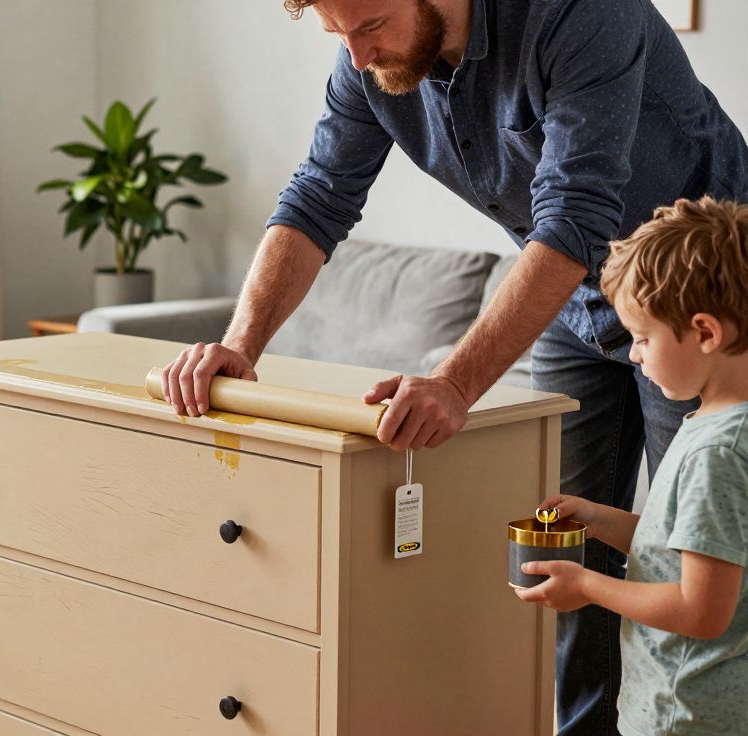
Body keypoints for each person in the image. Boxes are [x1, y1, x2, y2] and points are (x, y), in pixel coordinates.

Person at [159, 1, 748, 732]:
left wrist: (457, 383)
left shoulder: (580, 13)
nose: (355, 56)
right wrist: (239, 347)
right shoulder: (368, 65)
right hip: (573, 308)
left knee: (710, 569)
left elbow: (573, 215)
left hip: (700, 316)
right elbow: (317, 196)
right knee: (563, 554)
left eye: (369, 26)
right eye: (337, 35)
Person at [516, 197, 748, 735]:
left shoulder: (717, 452)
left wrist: (588, 585)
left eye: (643, 338)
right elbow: (689, 551)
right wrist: (599, 519)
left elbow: (700, 609)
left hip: (683, 713)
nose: (635, 355)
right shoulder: (717, 426)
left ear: (706, 333)